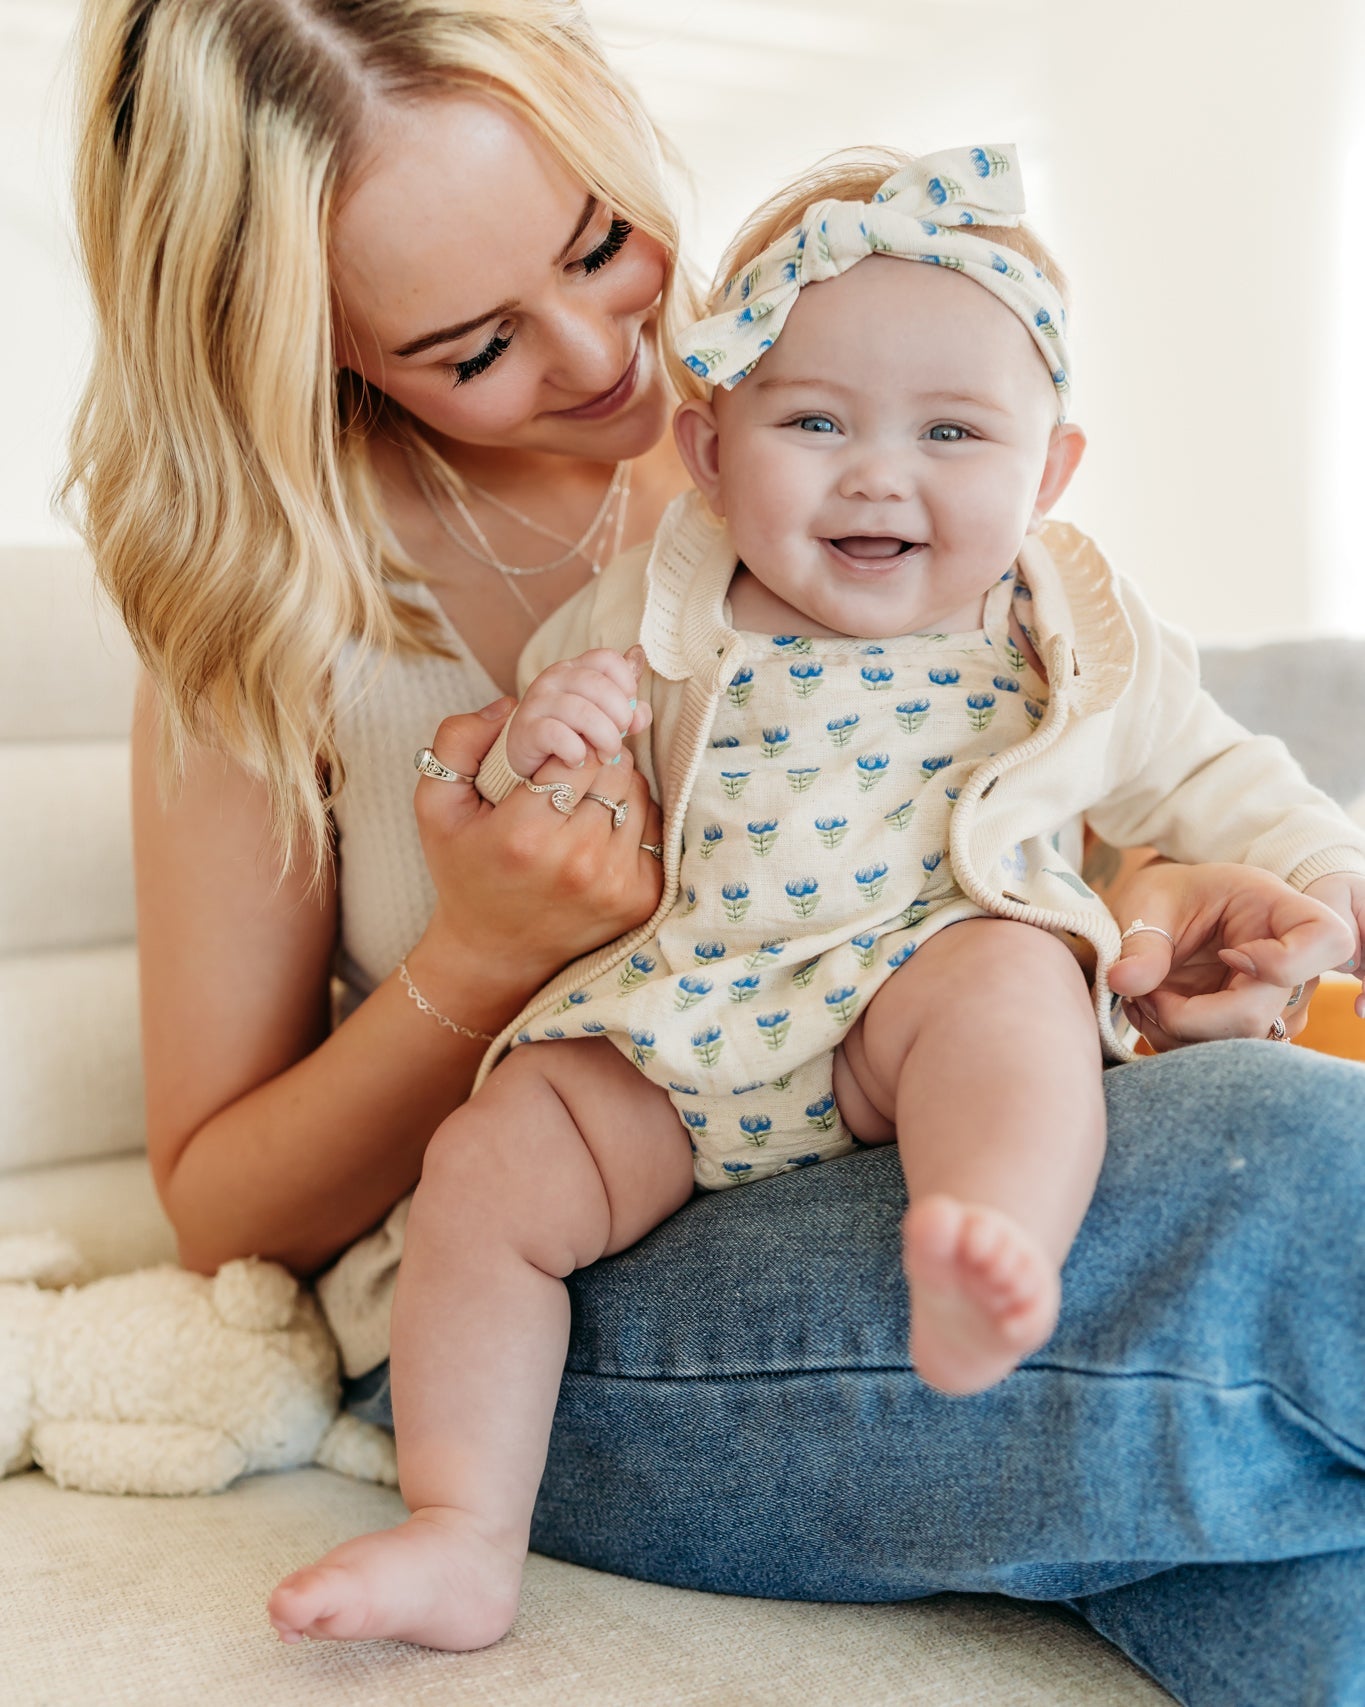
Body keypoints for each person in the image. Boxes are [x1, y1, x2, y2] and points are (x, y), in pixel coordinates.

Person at [65, 4, 1365, 1700]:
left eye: (602, 241)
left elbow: (1065, 818)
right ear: (318, 352)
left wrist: (1171, 927)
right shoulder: (274, 630)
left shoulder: (858, 375)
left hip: (925, 1171)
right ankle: (467, 1531)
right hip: (563, 1284)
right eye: (473, 346)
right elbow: (220, 1206)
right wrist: (481, 953)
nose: (607, 350)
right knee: (1302, 1173)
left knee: (1318, 1608)